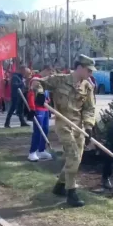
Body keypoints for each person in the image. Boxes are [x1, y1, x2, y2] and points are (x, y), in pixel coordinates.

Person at [30, 55, 96, 207]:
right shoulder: (60, 80)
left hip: (78, 126)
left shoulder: (88, 86)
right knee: (73, 155)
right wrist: (39, 93)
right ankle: (71, 193)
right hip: (63, 123)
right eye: (89, 70)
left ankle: (59, 186)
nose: (90, 74)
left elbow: (89, 109)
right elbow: (36, 82)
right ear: (79, 67)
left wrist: (88, 126)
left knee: (76, 158)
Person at [27, 66, 54, 162]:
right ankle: (32, 152)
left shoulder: (45, 81)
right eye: (50, 73)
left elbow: (46, 94)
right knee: (38, 131)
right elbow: (30, 95)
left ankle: (41, 150)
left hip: (45, 109)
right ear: (46, 70)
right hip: (38, 109)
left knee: (45, 130)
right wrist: (32, 108)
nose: (50, 76)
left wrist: (48, 102)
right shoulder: (35, 80)